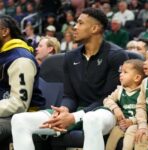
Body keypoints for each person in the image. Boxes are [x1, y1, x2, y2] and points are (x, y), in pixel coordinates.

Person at [11, 7, 128, 150]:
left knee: (92, 119)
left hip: (106, 111)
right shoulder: (70, 56)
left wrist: (74, 117)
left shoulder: (116, 55)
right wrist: (64, 109)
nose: (74, 27)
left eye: (80, 23)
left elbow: (108, 97)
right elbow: (69, 95)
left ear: (95, 28)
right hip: (75, 111)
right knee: (19, 120)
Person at [0, 15, 45, 143]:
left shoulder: (20, 58)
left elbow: (19, 104)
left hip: (22, 117)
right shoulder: (2, 55)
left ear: (5, 31)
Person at [103, 59, 145, 150]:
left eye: (125, 72)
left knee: (129, 137)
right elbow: (107, 100)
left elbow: (145, 113)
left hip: (135, 124)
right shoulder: (120, 90)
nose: (121, 74)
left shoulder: (143, 92)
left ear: (137, 78)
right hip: (121, 124)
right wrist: (115, 108)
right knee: (112, 137)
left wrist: (132, 121)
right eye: (121, 72)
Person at [122, 49, 148, 150]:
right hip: (146, 122)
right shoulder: (145, 82)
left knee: (143, 136)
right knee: (131, 130)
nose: (145, 63)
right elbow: (141, 106)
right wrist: (142, 125)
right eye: (146, 59)